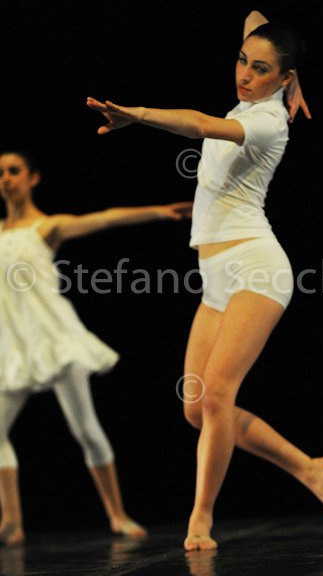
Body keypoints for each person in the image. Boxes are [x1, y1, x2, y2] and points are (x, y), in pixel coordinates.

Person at [86, 10, 323, 550]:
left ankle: (201, 519)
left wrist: (137, 115)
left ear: (280, 77)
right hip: (216, 278)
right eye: (242, 61)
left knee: (217, 396)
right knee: (196, 406)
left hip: (256, 266)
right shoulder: (263, 93)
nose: (245, 74)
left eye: (261, 69)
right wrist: (293, 77)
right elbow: (255, 18)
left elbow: (200, 125)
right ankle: (311, 468)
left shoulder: (268, 122)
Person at [0, 149, 192, 546]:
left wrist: (157, 211)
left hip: (56, 339)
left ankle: (117, 515)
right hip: (13, 346)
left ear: (32, 178)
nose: (6, 178)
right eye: (0, 172)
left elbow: (105, 218)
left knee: (86, 430)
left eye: (14, 171)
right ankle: (12, 522)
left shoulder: (47, 227)